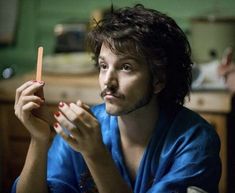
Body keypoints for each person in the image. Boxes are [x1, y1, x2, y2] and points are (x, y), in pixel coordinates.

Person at [12, 4, 221, 193]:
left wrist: (95, 154)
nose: (108, 81)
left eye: (126, 67)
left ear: (159, 79)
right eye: (104, 66)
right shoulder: (80, 129)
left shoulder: (195, 141)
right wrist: (39, 140)